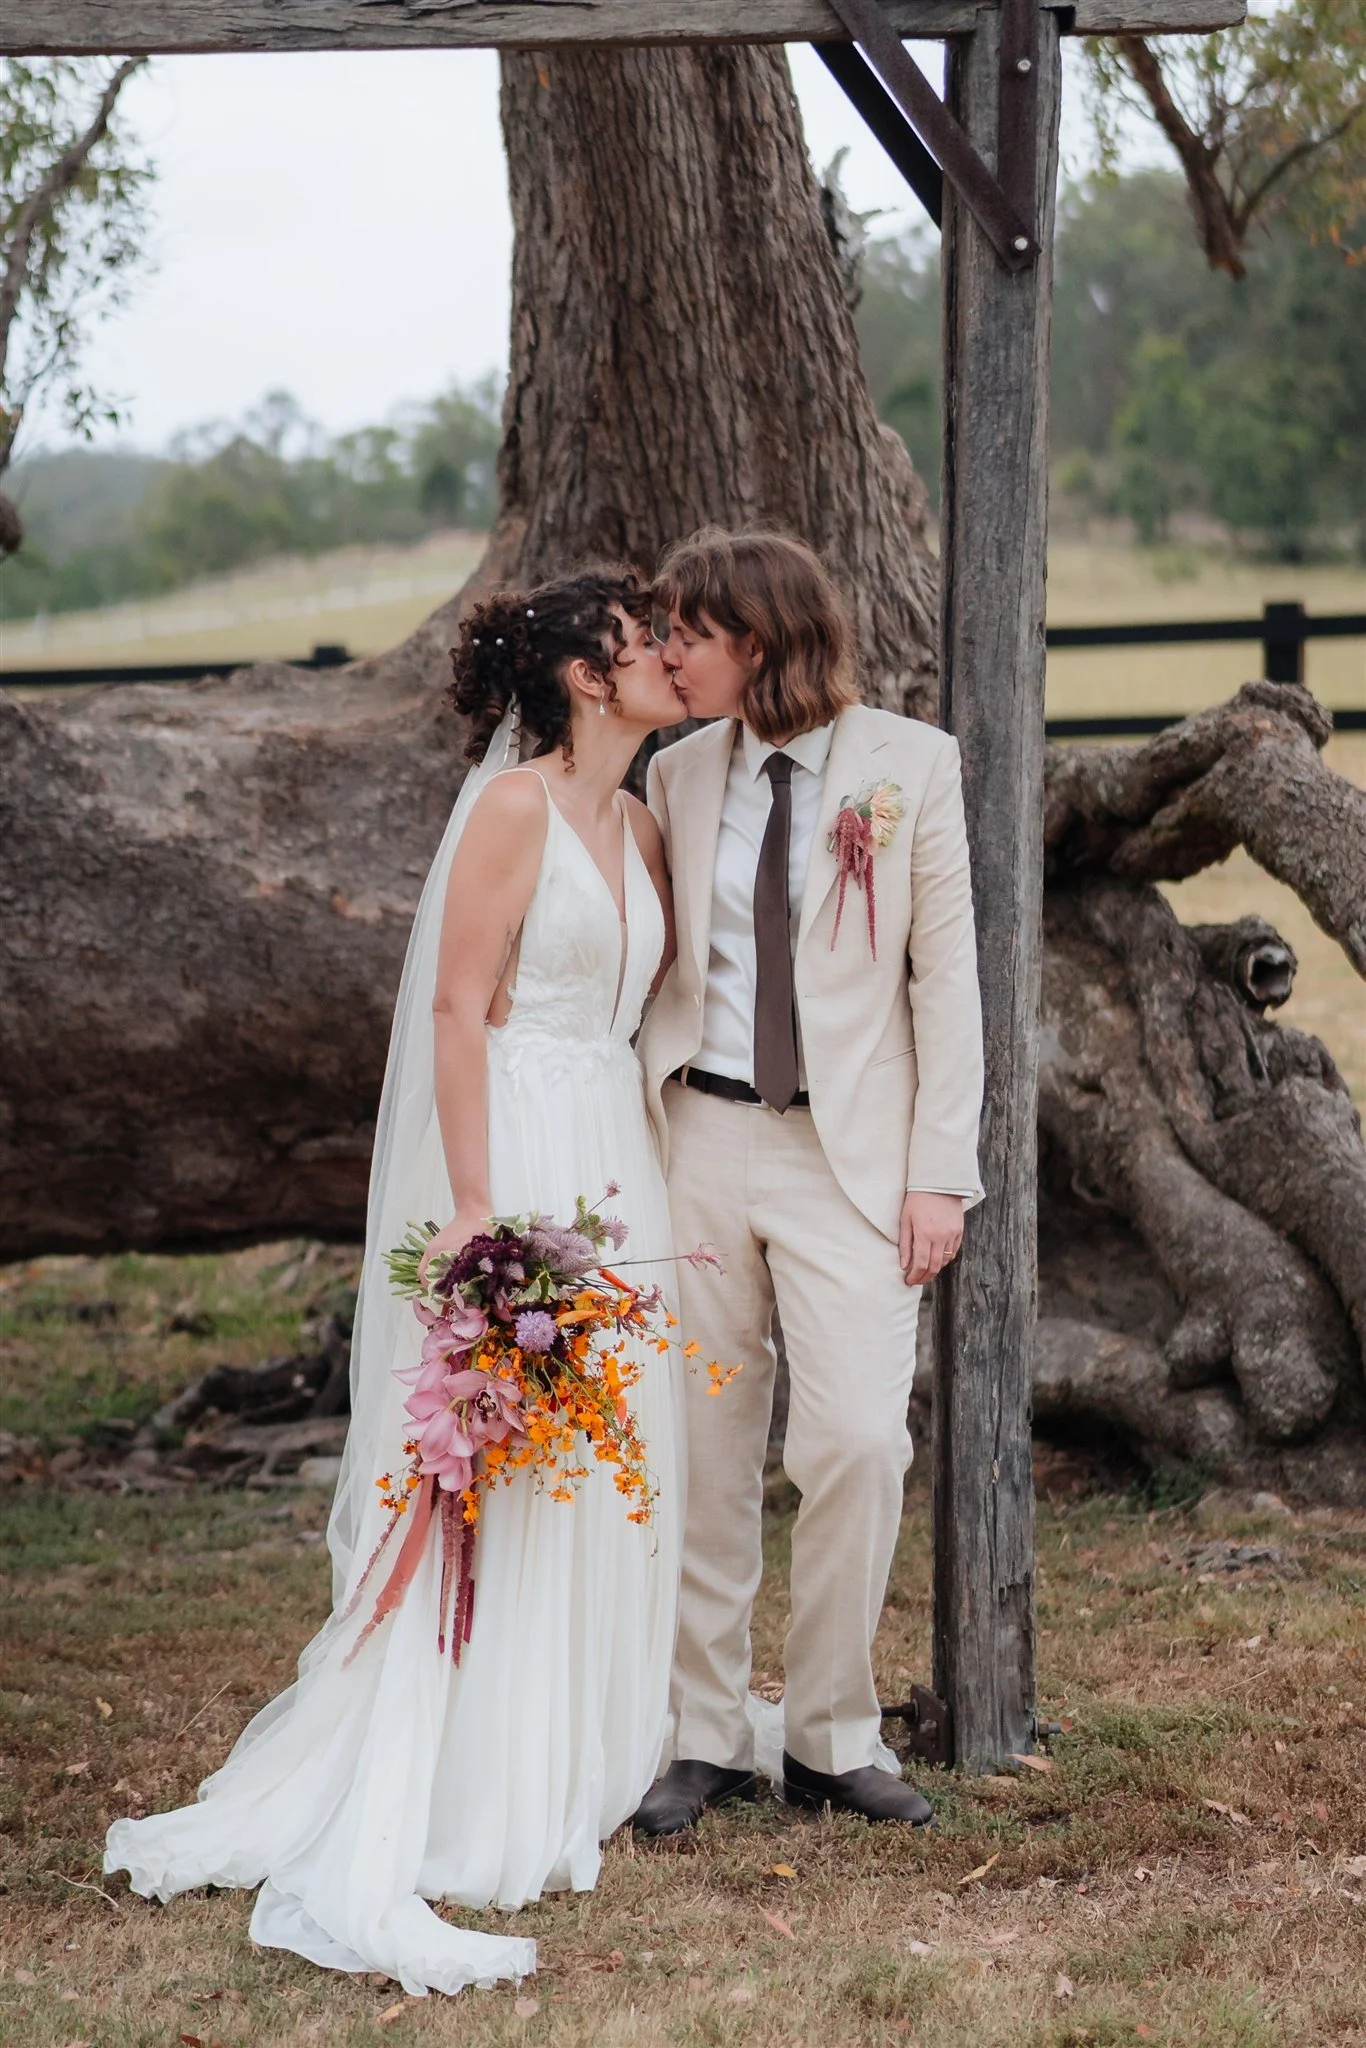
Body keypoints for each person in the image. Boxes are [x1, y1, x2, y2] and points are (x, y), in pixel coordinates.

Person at [105, 569, 690, 1997]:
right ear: (583, 677)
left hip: (616, 1147)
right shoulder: (514, 812)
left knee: (604, 1448)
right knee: (508, 1458)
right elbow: (455, 1009)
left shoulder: (643, 824)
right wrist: (478, 1214)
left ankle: (578, 1754)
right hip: (518, 1144)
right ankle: (477, 1767)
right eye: (640, 644)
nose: (668, 659)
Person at [634, 528, 984, 1835]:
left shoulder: (910, 765)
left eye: (689, 634)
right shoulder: (676, 774)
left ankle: (833, 1737)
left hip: (853, 1159)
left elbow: (946, 986)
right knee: (705, 1447)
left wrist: (939, 1174)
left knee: (857, 1442)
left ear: (761, 640)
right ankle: (706, 1736)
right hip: (700, 1142)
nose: (668, 655)